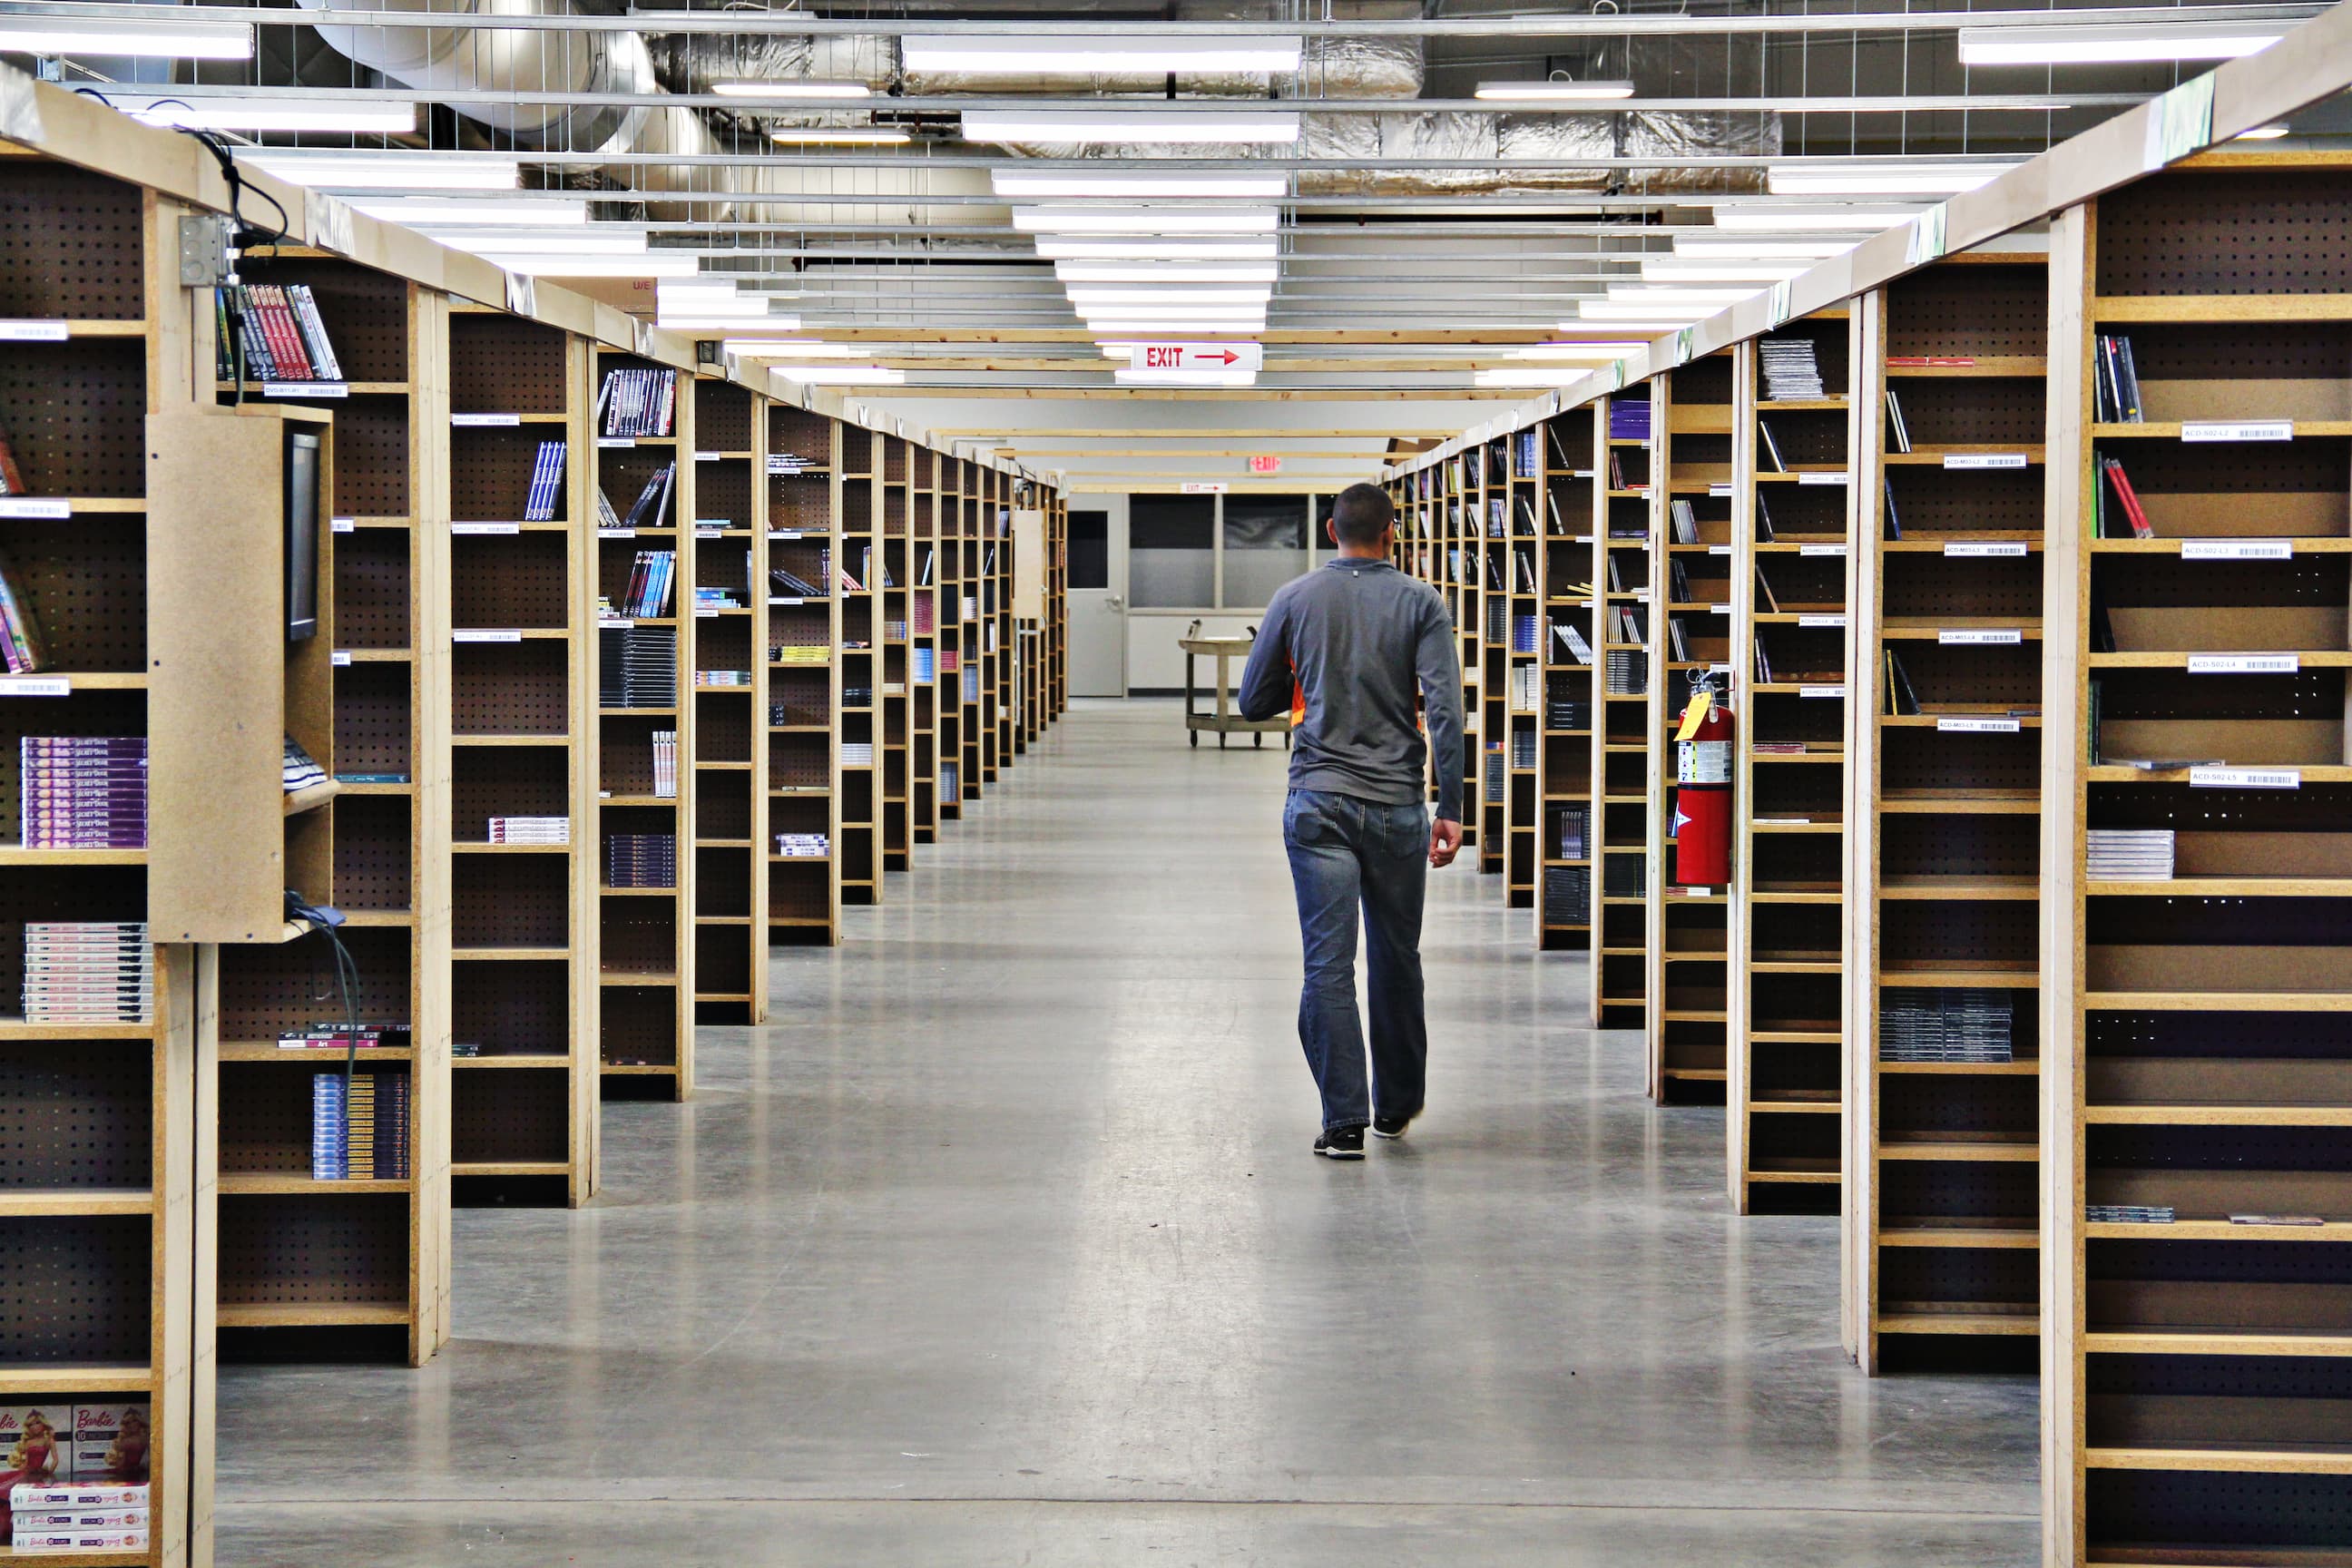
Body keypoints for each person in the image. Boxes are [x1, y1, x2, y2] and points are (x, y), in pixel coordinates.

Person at [1236, 482, 1465, 1161]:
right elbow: (1445, 710)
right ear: (1392, 533)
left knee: (1328, 964)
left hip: (1319, 803)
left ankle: (1343, 1123)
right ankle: (1394, 1107)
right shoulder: (1422, 602)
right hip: (1398, 805)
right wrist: (1450, 808)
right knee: (1397, 956)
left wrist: (1306, 674)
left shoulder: (1294, 599)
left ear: (1331, 531)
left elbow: (1253, 701)